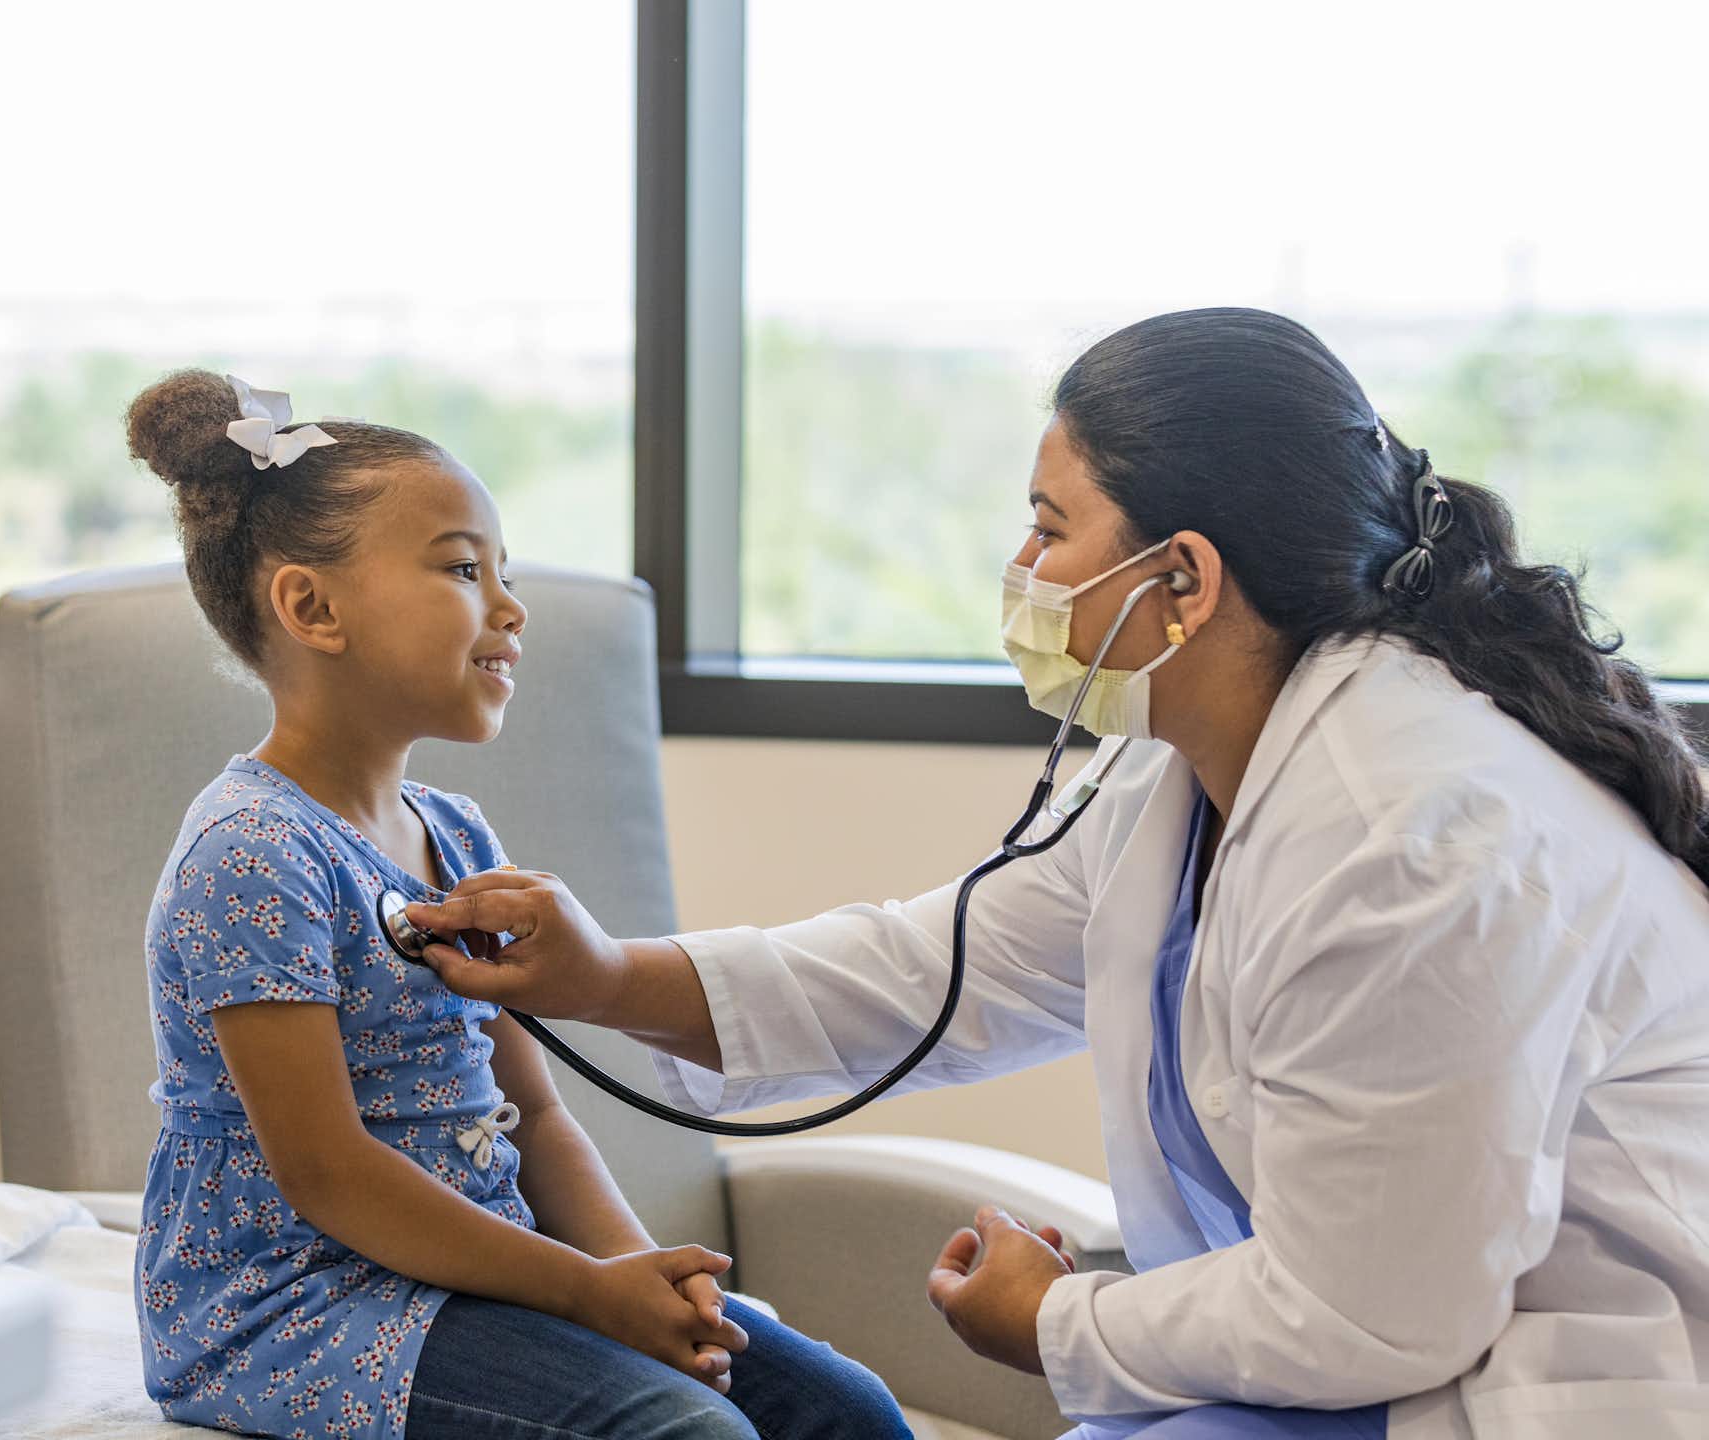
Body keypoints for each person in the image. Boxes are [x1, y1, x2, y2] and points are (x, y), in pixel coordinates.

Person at [404, 309, 1709, 1439]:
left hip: (1537, 1388)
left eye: (1049, 529)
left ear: (1182, 580)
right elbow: (937, 971)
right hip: (1361, 1372)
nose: (1022, 575)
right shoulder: (1192, 770)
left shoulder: (1408, 834)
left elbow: (1380, 1310)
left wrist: (1058, 1320)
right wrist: (605, 976)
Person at [122, 369, 914, 1440]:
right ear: (312, 607)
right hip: (295, 1307)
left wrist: (647, 1285)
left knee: (844, 1412)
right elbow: (328, 1174)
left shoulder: (457, 837)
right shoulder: (248, 853)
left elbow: (532, 1114)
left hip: (473, 1275)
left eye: (503, 571)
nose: (510, 607)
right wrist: (588, 1296)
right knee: (692, 1436)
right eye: (462, 569)